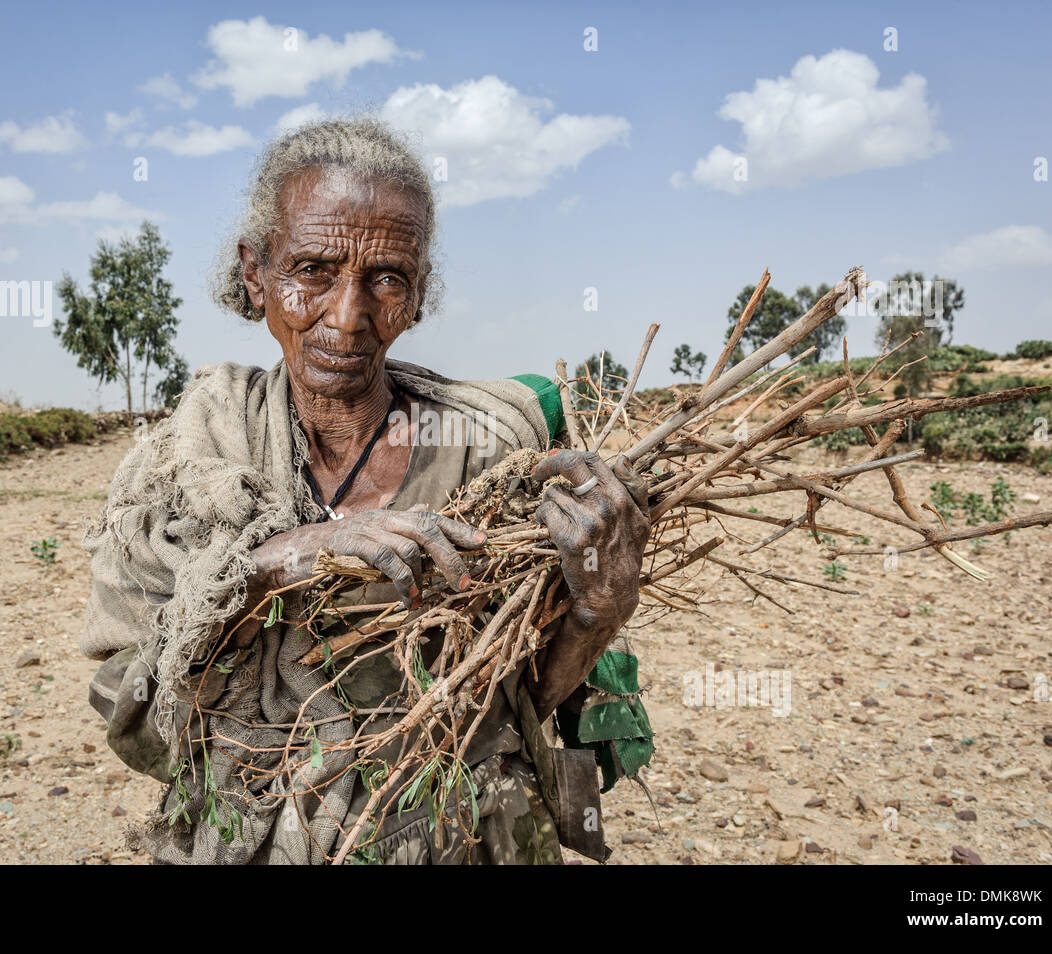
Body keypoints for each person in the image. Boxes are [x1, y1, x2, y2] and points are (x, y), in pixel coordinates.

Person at [80, 117, 651, 864]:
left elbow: (527, 699)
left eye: (386, 278)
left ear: (417, 294)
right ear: (257, 273)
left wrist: (596, 615)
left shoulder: (490, 454)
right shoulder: (197, 459)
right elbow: (133, 694)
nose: (348, 319)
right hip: (255, 838)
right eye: (312, 269)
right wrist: (268, 564)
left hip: (464, 835)